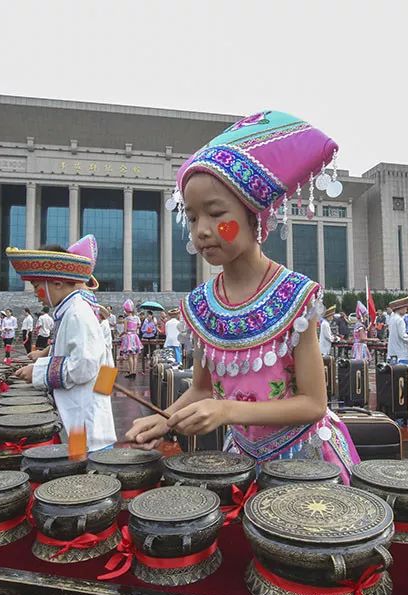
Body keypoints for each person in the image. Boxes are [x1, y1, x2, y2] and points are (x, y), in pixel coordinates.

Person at [125, 110, 359, 479]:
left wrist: (228, 411)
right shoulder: (201, 305)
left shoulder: (295, 296)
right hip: (241, 462)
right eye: (192, 217)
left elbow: (314, 404)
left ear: (255, 217)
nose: (202, 231)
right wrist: (164, 419)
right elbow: (202, 390)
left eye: (217, 214)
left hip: (306, 461)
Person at [9, 244, 116, 452]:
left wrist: (38, 371)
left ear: (57, 283)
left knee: (85, 464)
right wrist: (43, 356)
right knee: (78, 452)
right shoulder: (69, 311)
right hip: (82, 408)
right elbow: (91, 358)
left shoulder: (77, 313)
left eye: (36, 285)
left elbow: (84, 366)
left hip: (86, 412)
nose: (35, 293)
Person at [385, 297, 408, 364]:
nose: (406, 310)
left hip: (392, 352)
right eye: (405, 308)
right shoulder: (400, 320)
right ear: (400, 309)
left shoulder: (392, 318)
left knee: (392, 373)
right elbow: (403, 336)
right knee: (402, 374)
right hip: (400, 354)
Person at [121, 299, 142, 377]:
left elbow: (125, 330)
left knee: (130, 355)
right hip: (135, 336)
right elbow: (139, 325)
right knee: (135, 356)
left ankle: (131, 372)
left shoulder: (126, 319)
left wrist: (121, 335)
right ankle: (134, 371)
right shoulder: (136, 318)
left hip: (129, 337)